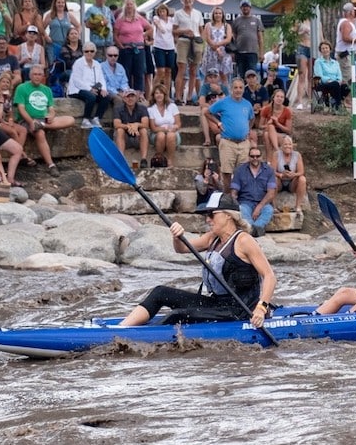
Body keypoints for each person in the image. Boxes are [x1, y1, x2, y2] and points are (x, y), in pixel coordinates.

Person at [118, 192, 277, 327]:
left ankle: (140, 335)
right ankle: (121, 328)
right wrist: (177, 237)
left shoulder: (244, 241)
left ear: (228, 216)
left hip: (239, 310)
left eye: (212, 214)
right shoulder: (212, 239)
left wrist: (261, 308)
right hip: (217, 304)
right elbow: (181, 248)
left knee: (178, 316)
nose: (208, 219)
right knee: (160, 292)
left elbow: (269, 276)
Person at [13, 64, 71, 172]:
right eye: (35, 74)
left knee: (70, 120)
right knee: (40, 133)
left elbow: (51, 108)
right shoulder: (22, 88)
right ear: (30, 76)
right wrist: (31, 122)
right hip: (27, 120)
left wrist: (51, 115)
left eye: (40, 74)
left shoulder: (47, 90)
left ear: (43, 76)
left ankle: (42, 125)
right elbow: (21, 109)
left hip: (43, 119)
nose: (37, 77)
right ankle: (51, 165)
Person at [206, 75, 257, 174]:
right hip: (227, 142)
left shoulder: (247, 104)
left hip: (243, 143)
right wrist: (218, 123)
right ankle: (227, 190)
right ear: (231, 89)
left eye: (240, 87)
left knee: (243, 173)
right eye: (236, 87)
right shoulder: (223, 102)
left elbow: (252, 118)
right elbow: (207, 112)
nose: (238, 90)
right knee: (226, 173)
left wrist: (248, 130)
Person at [229, 145, 278, 235]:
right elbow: (234, 191)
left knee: (269, 210)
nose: (255, 158)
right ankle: (255, 230)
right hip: (245, 202)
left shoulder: (269, 170)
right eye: (252, 156)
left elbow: (271, 193)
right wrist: (233, 201)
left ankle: (252, 229)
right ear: (248, 157)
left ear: (261, 157)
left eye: (257, 156)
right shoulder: (240, 170)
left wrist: (259, 207)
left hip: (263, 203)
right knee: (242, 209)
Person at [66, 42, 107, 126]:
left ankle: (97, 118)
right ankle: (86, 119)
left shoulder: (97, 64)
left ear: (95, 52)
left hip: (93, 88)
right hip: (77, 89)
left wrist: (103, 89)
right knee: (91, 97)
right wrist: (90, 89)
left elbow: (101, 78)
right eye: (86, 51)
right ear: (83, 52)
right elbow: (77, 81)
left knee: (106, 97)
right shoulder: (78, 63)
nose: (89, 53)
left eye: (91, 51)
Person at [113, 88, 151, 169]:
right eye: (127, 96)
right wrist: (129, 126)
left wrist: (136, 125)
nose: (130, 98)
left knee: (143, 130)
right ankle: (121, 159)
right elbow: (116, 124)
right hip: (125, 137)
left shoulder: (142, 108)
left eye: (132, 96)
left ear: (136, 98)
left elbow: (146, 124)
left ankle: (143, 159)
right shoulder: (118, 109)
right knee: (119, 130)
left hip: (138, 136)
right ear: (124, 98)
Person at [273, 134, 308, 214]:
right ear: (281, 146)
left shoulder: (297, 155)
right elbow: (272, 171)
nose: (287, 146)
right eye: (285, 144)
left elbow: (301, 171)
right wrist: (281, 175)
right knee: (273, 178)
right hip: (280, 181)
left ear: (292, 146)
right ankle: (274, 207)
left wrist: (293, 174)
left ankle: (298, 207)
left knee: (302, 179)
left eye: (289, 144)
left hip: (292, 182)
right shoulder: (276, 154)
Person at [146, 86, 179, 168]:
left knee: (171, 135)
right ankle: (159, 159)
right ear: (153, 95)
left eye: (161, 93)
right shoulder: (150, 109)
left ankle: (170, 160)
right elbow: (153, 128)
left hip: (172, 132)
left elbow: (178, 123)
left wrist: (174, 127)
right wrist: (165, 129)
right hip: (157, 133)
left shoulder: (172, 106)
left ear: (165, 95)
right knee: (161, 135)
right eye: (156, 93)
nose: (159, 95)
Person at [257, 87, 293, 157]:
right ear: (273, 97)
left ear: (284, 99)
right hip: (269, 130)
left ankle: (269, 159)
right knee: (270, 128)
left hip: (281, 134)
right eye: (277, 96)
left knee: (267, 135)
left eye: (282, 97)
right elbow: (260, 126)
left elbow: (289, 131)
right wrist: (268, 123)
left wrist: (277, 123)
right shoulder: (266, 109)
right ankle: (277, 150)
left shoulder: (287, 111)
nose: (279, 98)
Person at [313, 40, 346, 110]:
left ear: (330, 49)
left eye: (326, 48)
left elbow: (339, 74)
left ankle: (334, 101)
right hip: (324, 83)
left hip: (336, 83)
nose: (325, 50)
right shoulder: (318, 62)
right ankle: (338, 106)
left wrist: (339, 80)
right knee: (335, 85)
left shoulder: (335, 62)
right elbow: (319, 75)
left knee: (346, 87)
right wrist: (329, 80)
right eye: (323, 48)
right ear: (320, 51)